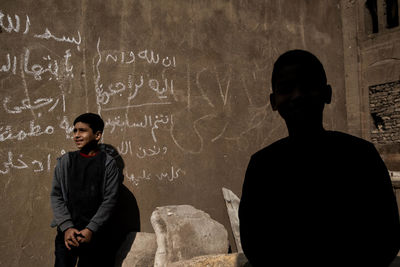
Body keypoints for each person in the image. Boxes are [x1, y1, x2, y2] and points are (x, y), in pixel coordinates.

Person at [239, 50, 400, 267]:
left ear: (327, 93)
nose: (297, 96)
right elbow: (254, 243)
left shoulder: (361, 157)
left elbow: (386, 238)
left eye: (307, 86)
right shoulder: (262, 166)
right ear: (273, 101)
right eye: (286, 89)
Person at [50, 113, 120, 267]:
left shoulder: (108, 164)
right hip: (67, 235)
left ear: (97, 135)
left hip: (95, 236)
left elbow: (110, 200)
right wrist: (67, 227)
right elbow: (56, 196)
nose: (77, 135)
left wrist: (91, 229)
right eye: (75, 131)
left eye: (82, 130)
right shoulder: (65, 162)